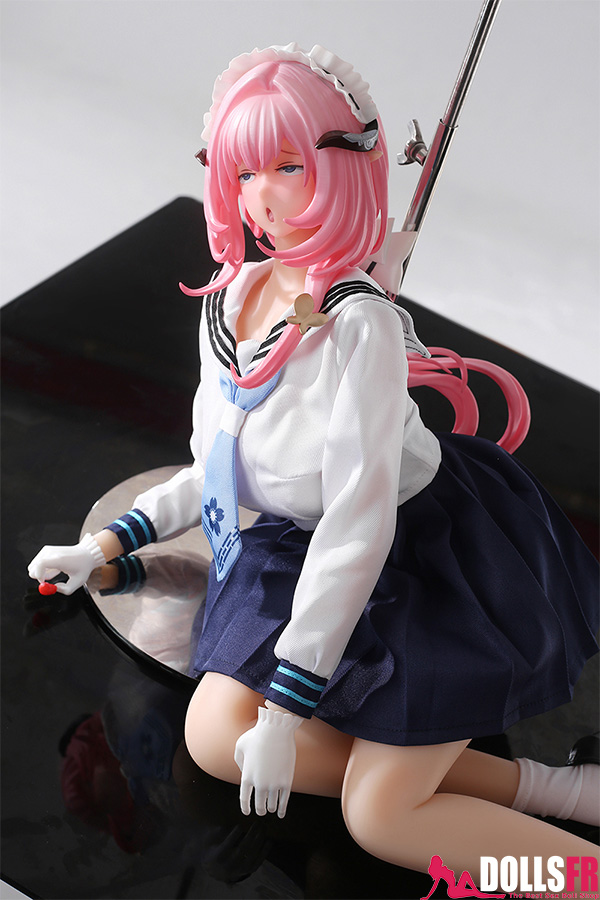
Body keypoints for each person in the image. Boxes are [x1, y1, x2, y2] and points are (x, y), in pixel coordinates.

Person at [29, 44, 599, 884]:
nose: (262, 194)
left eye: (288, 166)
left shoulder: (360, 326)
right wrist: (105, 546)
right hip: (300, 547)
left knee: (379, 817)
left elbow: (358, 525)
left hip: (422, 561)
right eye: (245, 170)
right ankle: (561, 789)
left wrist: (286, 713)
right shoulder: (234, 297)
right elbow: (216, 471)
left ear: (347, 166)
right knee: (212, 739)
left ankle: (579, 874)